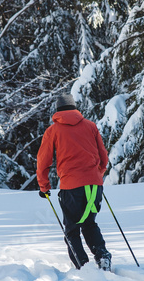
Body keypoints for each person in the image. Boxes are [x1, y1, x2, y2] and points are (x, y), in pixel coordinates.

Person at [37, 93, 113, 271]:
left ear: (57, 111)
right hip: (94, 186)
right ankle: (102, 255)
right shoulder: (90, 126)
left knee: (72, 229)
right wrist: (95, 175)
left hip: (71, 187)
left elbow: (43, 161)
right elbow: (104, 157)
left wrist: (44, 187)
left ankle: (83, 266)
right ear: (74, 108)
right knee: (89, 223)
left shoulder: (53, 131)